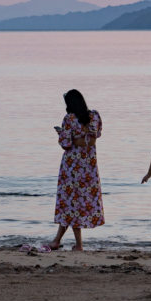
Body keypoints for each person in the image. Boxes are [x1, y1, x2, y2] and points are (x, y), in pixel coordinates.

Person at [47, 89, 105, 251]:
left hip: (72, 166)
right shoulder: (94, 116)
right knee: (77, 204)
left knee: (70, 203)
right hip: (89, 167)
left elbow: (66, 144)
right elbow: (96, 136)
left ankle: (77, 244)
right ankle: (57, 240)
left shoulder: (69, 118)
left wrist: (61, 133)